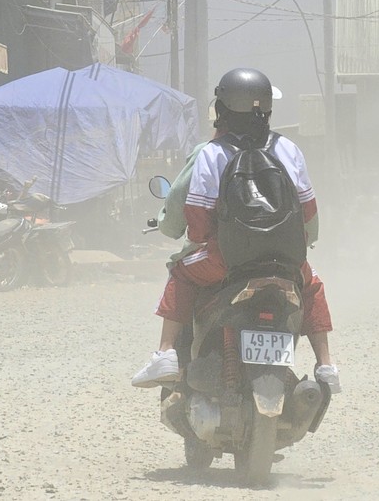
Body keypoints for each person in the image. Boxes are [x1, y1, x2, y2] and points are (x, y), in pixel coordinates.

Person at [132, 68, 339, 392]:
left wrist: (204, 242)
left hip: (226, 261)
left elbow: (197, 220)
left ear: (223, 109)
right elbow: (309, 215)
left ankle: (167, 353)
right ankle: (326, 366)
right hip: (284, 261)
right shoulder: (287, 149)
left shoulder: (213, 153)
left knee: (181, 273)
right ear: (267, 109)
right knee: (311, 284)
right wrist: (300, 245)